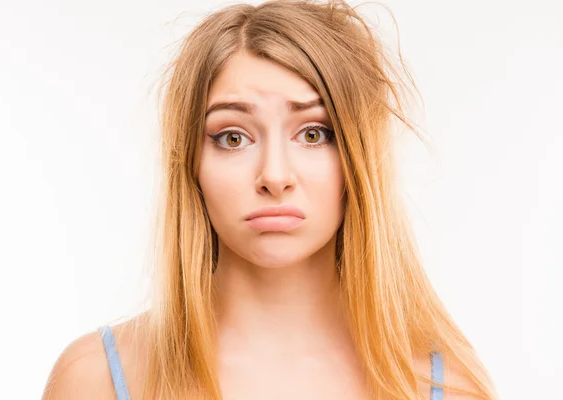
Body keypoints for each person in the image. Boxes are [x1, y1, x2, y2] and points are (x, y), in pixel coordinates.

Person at [42, 0, 498, 399]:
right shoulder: (95, 380)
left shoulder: (448, 387)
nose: (275, 177)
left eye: (314, 134)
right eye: (233, 137)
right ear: (190, 164)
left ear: (359, 158)